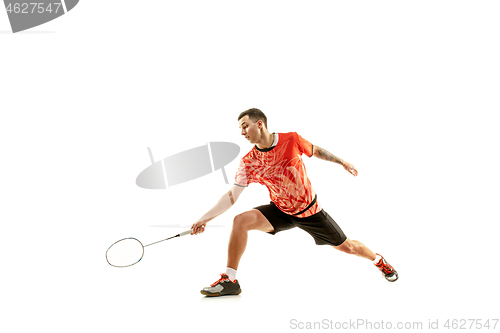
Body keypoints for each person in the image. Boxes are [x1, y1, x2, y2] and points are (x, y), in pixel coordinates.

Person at [191, 108, 398, 297]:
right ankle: (231, 280)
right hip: (280, 211)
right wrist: (204, 219)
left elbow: (315, 151)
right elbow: (231, 196)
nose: (242, 132)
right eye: (240, 129)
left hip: (310, 213)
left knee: (349, 247)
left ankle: (379, 261)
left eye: (245, 126)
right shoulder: (248, 162)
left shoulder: (290, 139)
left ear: (260, 124)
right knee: (240, 221)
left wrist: (342, 162)